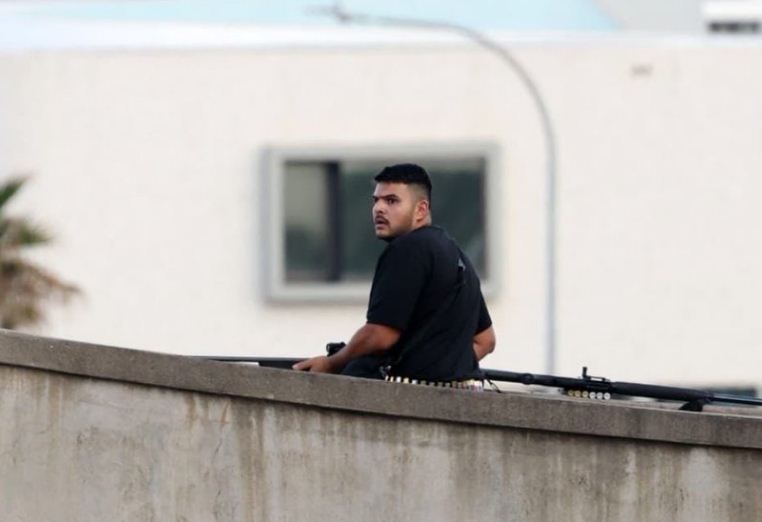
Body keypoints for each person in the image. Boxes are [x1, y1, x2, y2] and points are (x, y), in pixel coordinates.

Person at [293, 163, 496, 385]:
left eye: (391, 201)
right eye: (376, 200)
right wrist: (443, 371)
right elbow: (485, 341)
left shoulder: (408, 248)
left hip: (410, 400)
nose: (379, 209)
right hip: (464, 396)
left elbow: (381, 335)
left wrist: (333, 363)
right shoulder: (456, 254)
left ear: (421, 209)